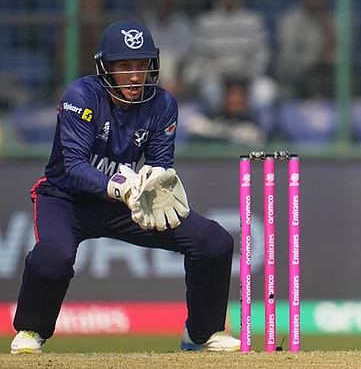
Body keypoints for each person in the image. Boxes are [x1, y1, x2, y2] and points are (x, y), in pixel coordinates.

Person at [10, 20, 239, 354]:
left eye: (142, 65)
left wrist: (154, 186)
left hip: (127, 204)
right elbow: (74, 168)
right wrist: (121, 187)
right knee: (53, 257)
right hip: (67, 201)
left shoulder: (163, 104)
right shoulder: (81, 96)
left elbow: (161, 163)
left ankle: (200, 335)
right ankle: (31, 331)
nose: (135, 75)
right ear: (105, 67)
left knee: (214, 241)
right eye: (124, 66)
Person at [275, 0, 336, 99]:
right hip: (300, 70)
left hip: (329, 70)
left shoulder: (333, 20)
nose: (316, 1)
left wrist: (325, 26)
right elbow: (288, 56)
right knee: (314, 80)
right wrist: (313, 60)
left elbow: (342, 52)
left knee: (350, 79)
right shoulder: (291, 20)